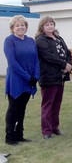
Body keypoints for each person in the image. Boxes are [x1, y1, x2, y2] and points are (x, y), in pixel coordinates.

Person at [4, 15, 40, 145]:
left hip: (29, 79)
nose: (20, 27)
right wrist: (27, 77)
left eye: (22, 25)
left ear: (26, 27)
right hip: (16, 80)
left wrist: (35, 76)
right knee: (13, 108)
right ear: (12, 28)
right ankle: (10, 137)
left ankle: (19, 134)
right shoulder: (9, 41)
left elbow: (36, 59)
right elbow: (12, 62)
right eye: (17, 25)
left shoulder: (30, 41)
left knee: (22, 108)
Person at [35, 16, 72, 139]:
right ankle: (46, 131)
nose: (50, 26)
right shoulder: (41, 40)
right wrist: (64, 64)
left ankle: (55, 127)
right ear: (42, 27)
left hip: (60, 77)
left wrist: (69, 63)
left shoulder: (58, 38)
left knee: (57, 103)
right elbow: (48, 56)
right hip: (48, 77)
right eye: (47, 25)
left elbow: (67, 53)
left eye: (52, 24)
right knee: (48, 104)